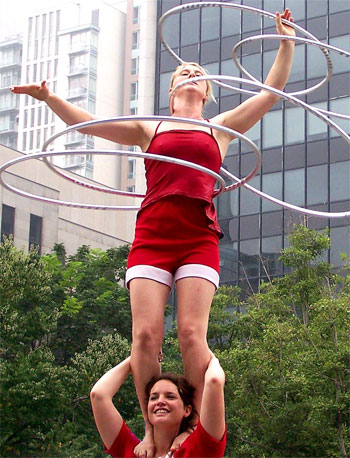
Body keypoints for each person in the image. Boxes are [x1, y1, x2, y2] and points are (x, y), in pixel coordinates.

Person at [10, 8, 295, 456]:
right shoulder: (150, 127)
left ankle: (195, 424)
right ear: (170, 90)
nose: (191, 72)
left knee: (189, 335)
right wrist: (50, 99)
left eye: (198, 72)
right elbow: (88, 125)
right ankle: (151, 429)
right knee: (143, 336)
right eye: (183, 70)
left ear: (207, 92)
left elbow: (270, 93)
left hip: (198, 236)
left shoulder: (218, 129)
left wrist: (286, 42)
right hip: (153, 237)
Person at [90, 352, 226, 457]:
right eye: (153, 398)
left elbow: (214, 381)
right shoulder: (136, 453)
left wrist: (214, 360)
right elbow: (98, 395)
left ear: (187, 410)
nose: (160, 401)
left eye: (170, 396)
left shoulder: (199, 450)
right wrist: (135, 358)